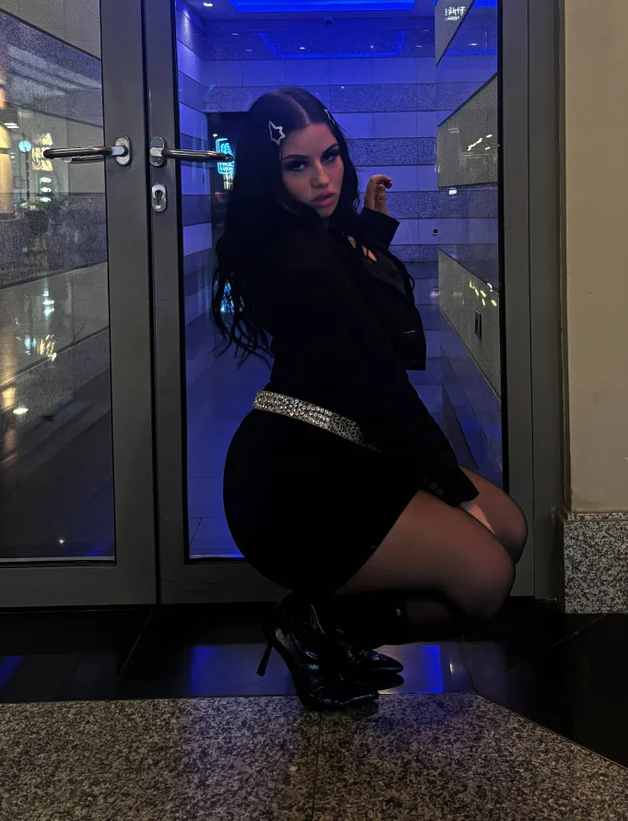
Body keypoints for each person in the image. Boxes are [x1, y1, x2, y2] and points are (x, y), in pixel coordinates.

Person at [213, 87, 527, 710]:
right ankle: (315, 627)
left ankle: (326, 631)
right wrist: (454, 489)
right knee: (486, 578)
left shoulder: (313, 233)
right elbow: (379, 381)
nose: (323, 178)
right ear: (268, 174)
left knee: (509, 531)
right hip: (294, 483)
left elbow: (349, 292)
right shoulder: (296, 258)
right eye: (297, 165)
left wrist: (367, 228)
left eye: (330, 156)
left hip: (342, 445)